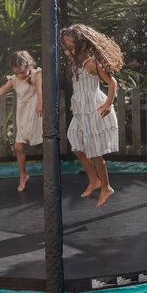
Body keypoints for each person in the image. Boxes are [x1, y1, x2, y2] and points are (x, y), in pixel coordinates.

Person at [61, 23, 123, 208]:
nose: (67, 51)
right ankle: (94, 180)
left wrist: (108, 104)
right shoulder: (75, 62)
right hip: (81, 110)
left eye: (70, 47)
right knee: (75, 141)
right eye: (66, 47)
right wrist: (76, 103)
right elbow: (79, 88)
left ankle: (106, 187)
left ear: (82, 45)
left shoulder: (91, 63)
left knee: (94, 151)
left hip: (93, 109)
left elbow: (112, 83)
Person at [0, 50, 43, 192]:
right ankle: (23, 175)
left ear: (29, 64)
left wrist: (40, 104)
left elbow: (39, 89)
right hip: (23, 114)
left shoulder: (36, 74)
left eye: (22, 72)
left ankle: (52, 174)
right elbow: (0, 91)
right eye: (16, 72)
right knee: (18, 147)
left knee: (45, 143)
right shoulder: (14, 79)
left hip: (36, 112)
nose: (20, 75)